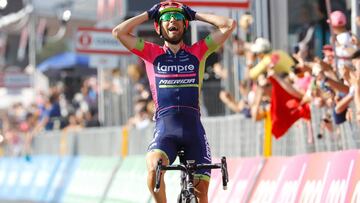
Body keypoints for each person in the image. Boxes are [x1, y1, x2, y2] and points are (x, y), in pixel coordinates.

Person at [112, 1, 235, 203]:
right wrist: (149, 13)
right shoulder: (151, 53)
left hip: (193, 131)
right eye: (167, 19)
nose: (172, 21)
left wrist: (194, 14)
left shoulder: (198, 51)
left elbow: (228, 25)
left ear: (184, 25)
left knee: (201, 194)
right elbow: (119, 32)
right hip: (165, 130)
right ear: (158, 27)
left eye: (178, 18)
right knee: (154, 170)